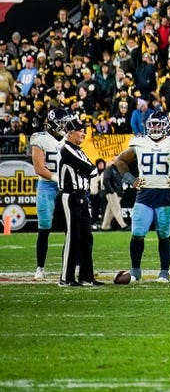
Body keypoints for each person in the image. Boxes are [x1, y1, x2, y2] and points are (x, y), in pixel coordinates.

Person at [111, 110, 170, 282]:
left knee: (164, 234)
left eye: (157, 124)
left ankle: (164, 272)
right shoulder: (140, 142)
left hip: (166, 195)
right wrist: (131, 179)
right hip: (144, 195)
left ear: (166, 125)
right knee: (137, 233)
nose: (153, 128)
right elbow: (119, 161)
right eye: (151, 125)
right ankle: (135, 270)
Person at [55, 110, 104, 286]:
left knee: (86, 237)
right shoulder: (66, 149)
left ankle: (86, 276)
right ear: (70, 133)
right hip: (70, 196)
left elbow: (92, 169)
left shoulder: (78, 150)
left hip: (82, 197)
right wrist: (88, 169)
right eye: (80, 130)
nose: (83, 133)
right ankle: (66, 277)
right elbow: (90, 170)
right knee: (72, 237)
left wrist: (88, 169)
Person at [30, 108, 67, 280]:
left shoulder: (69, 138)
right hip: (47, 186)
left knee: (71, 228)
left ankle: (71, 264)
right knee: (44, 227)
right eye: (61, 123)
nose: (64, 126)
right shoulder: (41, 139)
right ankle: (40, 267)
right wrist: (56, 178)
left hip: (67, 186)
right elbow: (38, 167)